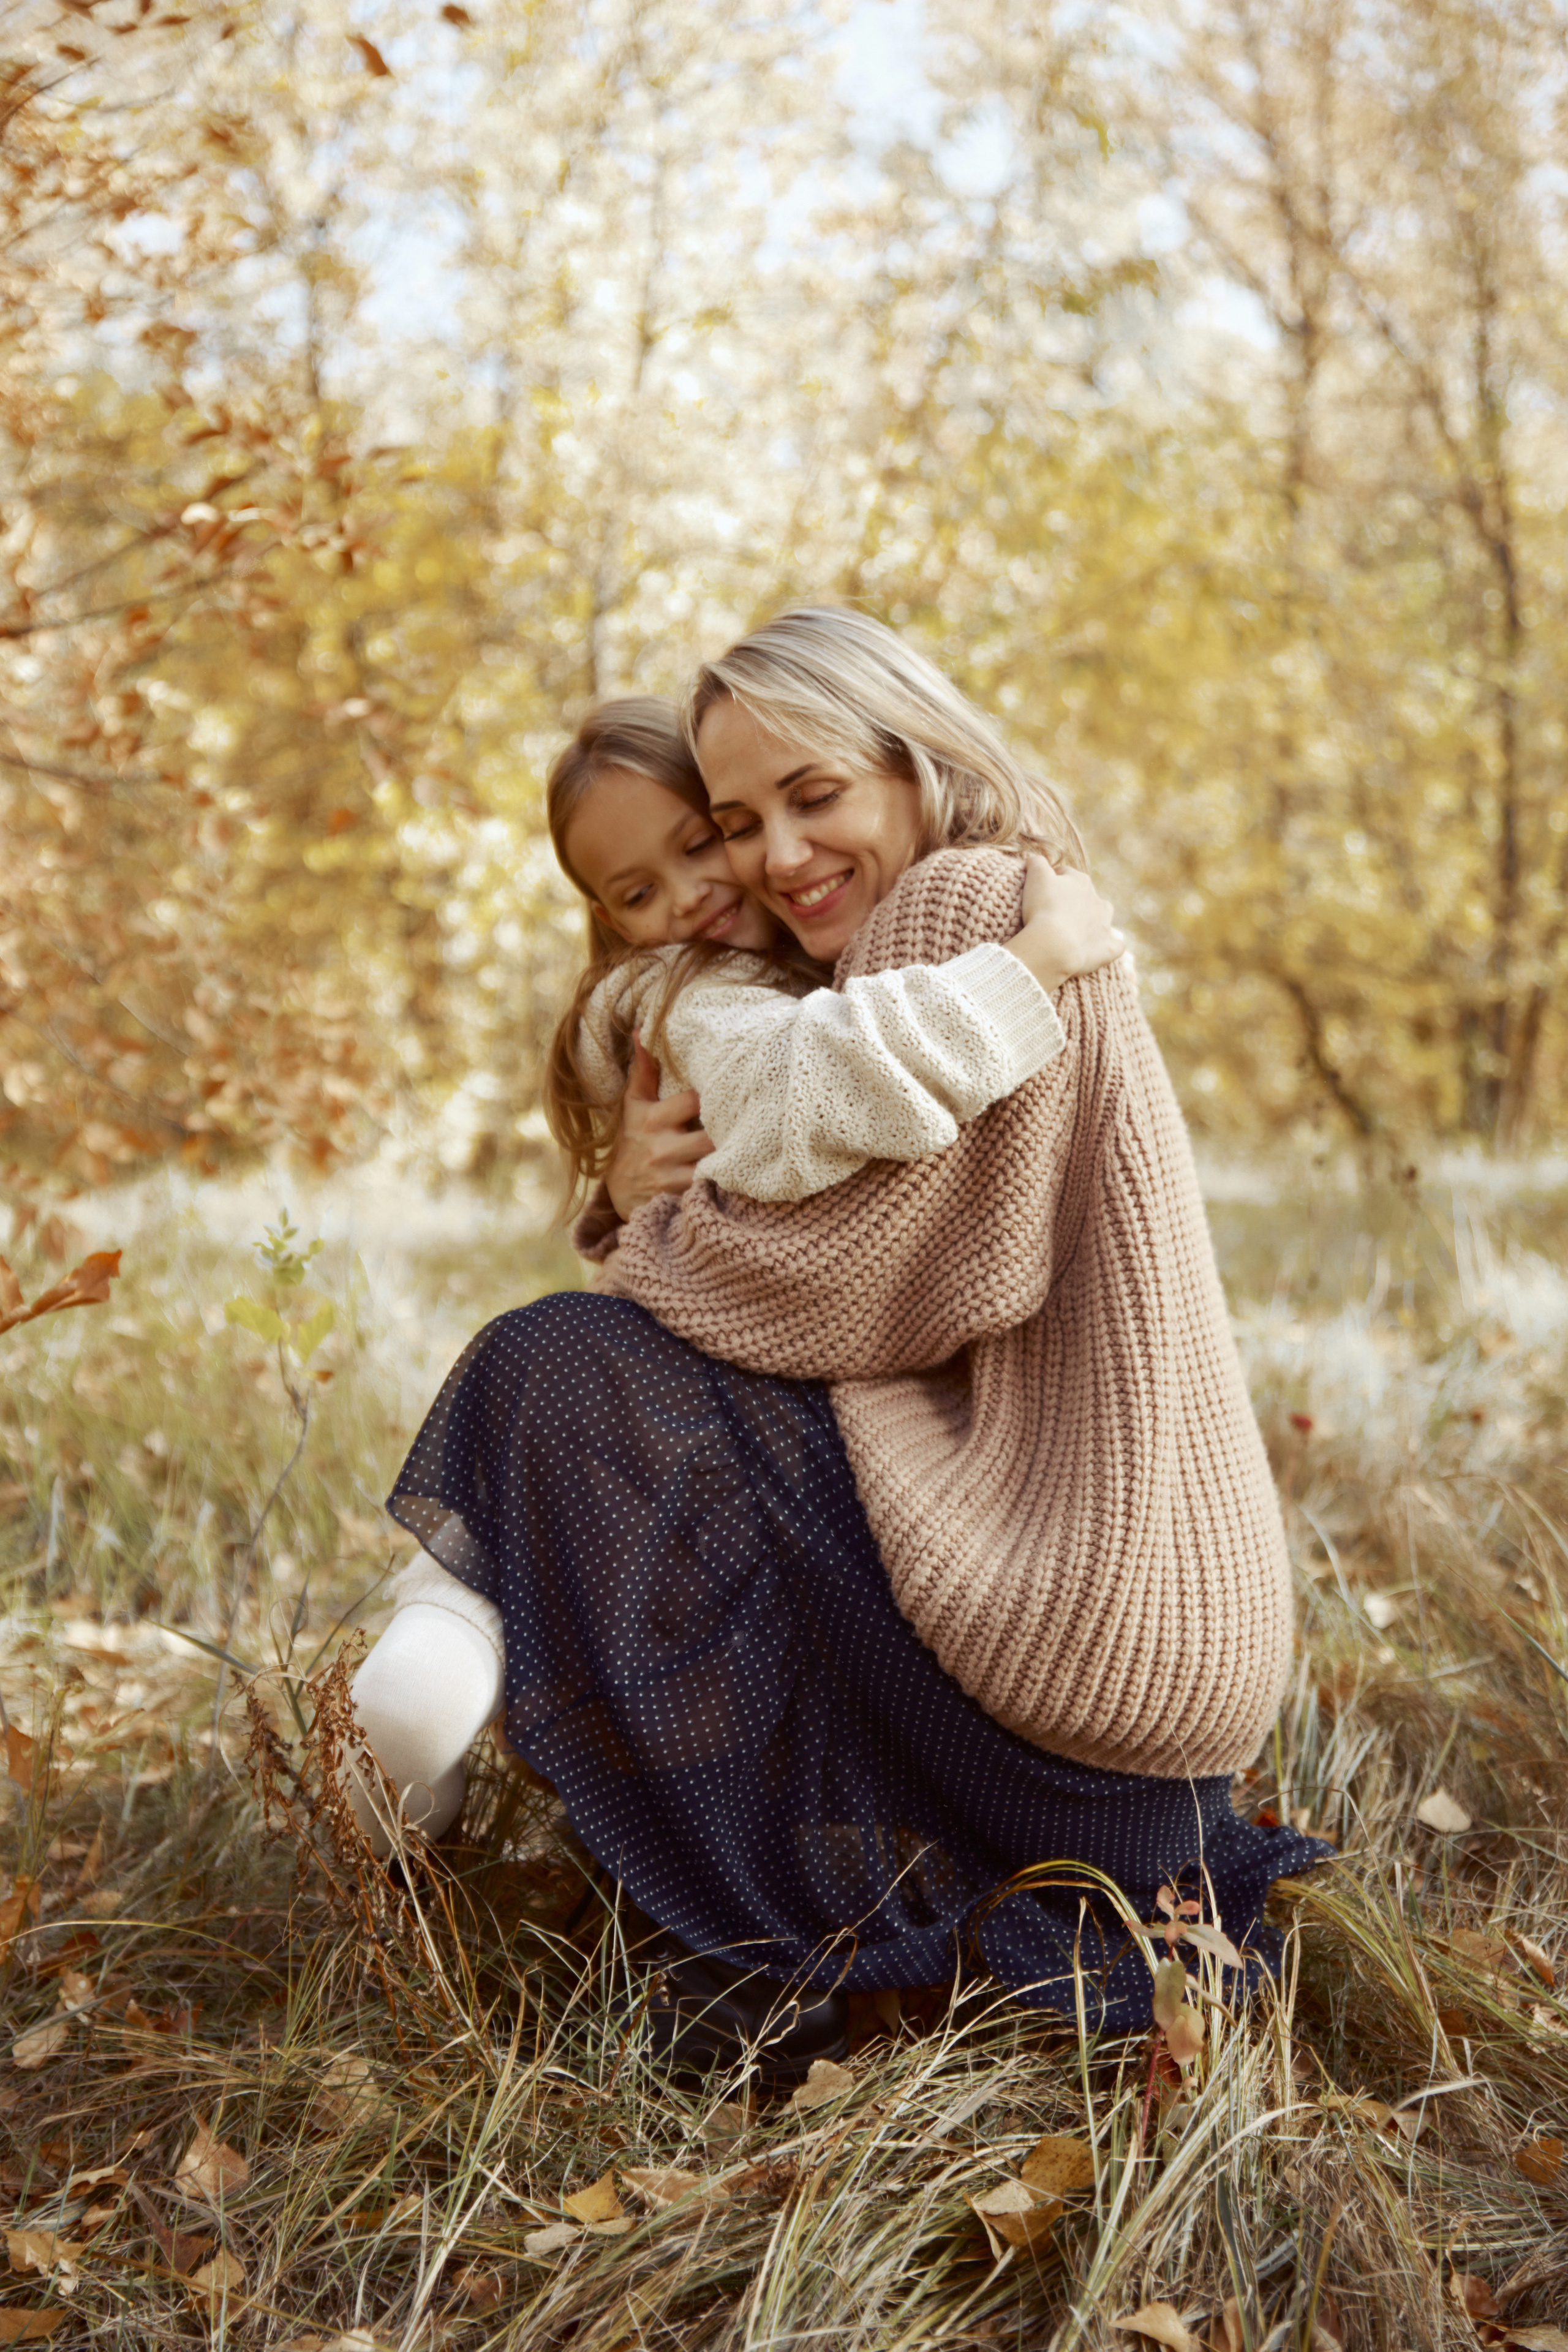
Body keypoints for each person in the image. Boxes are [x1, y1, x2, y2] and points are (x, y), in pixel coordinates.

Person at [363, 610, 1331, 2086]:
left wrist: (637, 1231)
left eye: (811, 798)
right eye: (737, 822)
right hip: (1136, 1692)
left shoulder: (962, 916)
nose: (765, 861)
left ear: (911, 760)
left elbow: (816, 1295)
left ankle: (477, 1729)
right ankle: (444, 1690)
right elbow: (876, 1277)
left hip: (1070, 1649)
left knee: (552, 1366)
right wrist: (640, 1183)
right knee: (596, 1372)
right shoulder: (945, 924)